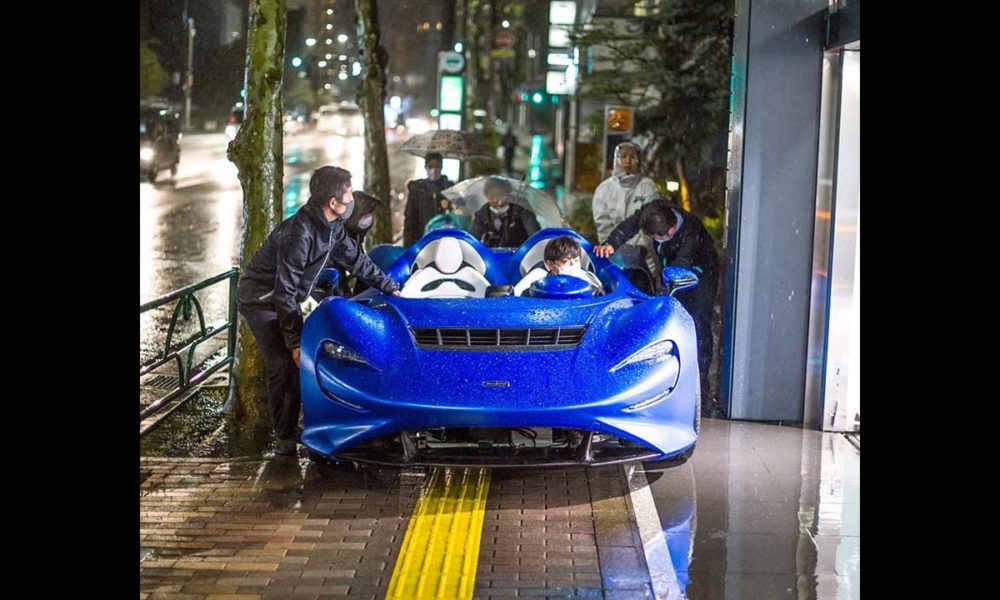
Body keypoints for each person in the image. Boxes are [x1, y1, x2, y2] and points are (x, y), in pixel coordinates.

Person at [236, 166, 401, 456]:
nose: (352, 198)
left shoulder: (333, 226)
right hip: (261, 300)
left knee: (310, 357)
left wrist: (390, 287)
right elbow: (284, 290)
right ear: (333, 202)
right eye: (347, 193)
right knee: (283, 364)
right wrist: (295, 342)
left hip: (285, 298)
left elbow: (356, 260)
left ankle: (307, 423)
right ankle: (285, 439)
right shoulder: (299, 233)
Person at [595, 201, 719, 408]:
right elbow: (631, 225)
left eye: (659, 237)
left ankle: (700, 381)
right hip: (672, 268)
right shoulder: (653, 210)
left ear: (671, 230)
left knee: (698, 321)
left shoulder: (691, 232)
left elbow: (682, 262)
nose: (655, 240)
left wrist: (670, 285)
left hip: (701, 272)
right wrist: (611, 243)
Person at [592, 142, 661, 282]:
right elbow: (603, 226)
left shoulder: (648, 187)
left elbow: (651, 221)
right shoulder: (604, 189)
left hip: (645, 259)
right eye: (623, 156)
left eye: (633, 157)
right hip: (614, 258)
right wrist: (614, 248)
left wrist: (640, 248)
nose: (627, 161)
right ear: (616, 159)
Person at [514, 236, 603, 296]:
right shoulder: (539, 275)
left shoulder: (585, 276)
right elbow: (517, 293)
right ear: (550, 264)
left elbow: (601, 295)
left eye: (576, 260)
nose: (573, 264)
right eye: (565, 261)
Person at [471, 176, 540, 248]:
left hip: (519, 251)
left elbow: (533, 232)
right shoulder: (483, 213)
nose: (498, 202)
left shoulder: (521, 208)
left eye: (502, 196)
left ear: (509, 194)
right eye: (492, 197)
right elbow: (474, 236)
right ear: (487, 195)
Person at [403, 152, 452, 247]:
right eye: (430, 166)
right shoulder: (417, 189)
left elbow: (457, 215)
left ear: (441, 167)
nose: (434, 170)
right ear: (425, 168)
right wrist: (408, 246)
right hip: (421, 239)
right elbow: (410, 218)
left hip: (444, 239)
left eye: (437, 166)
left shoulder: (448, 187)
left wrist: (449, 206)